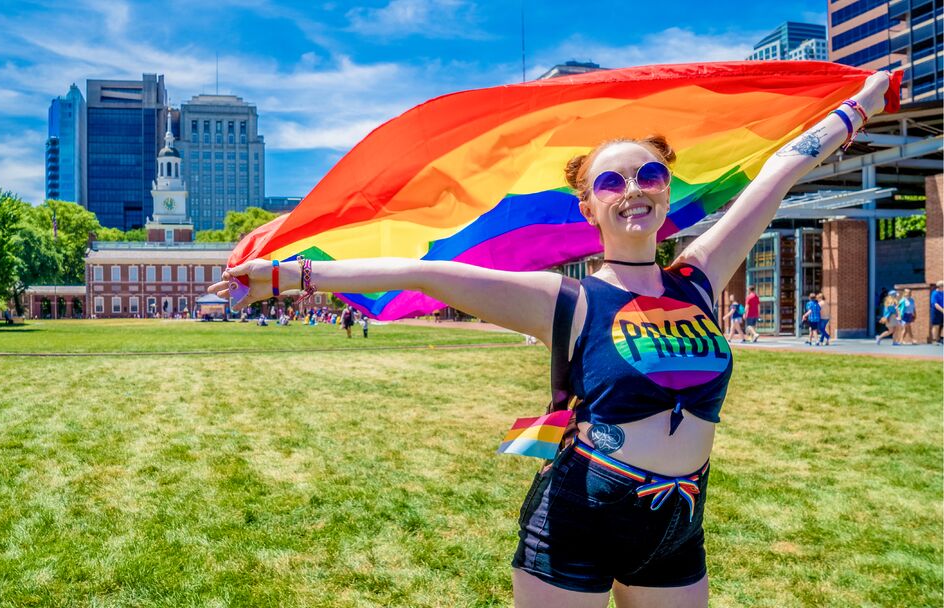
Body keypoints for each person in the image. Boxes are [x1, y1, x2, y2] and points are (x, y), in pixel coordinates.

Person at [211, 73, 890, 607]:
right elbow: (425, 272)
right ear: (588, 207)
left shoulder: (700, 278)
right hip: (578, 516)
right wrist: (284, 275)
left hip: (678, 521)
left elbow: (776, 176)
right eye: (612, 180)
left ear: (668, 191)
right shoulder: (563, 299)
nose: (634, 189)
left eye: (650, 175)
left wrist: (857, 107)